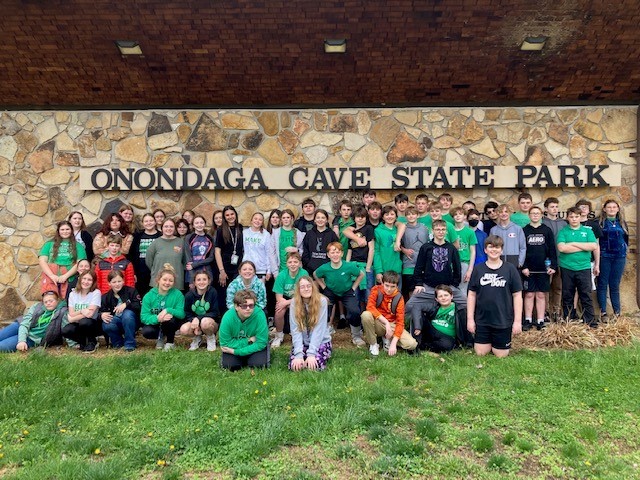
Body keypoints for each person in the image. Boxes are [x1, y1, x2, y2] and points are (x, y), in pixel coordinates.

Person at [467, 235, 523, 358]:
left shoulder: (510, 269)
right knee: (481, 353)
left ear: (501, 250)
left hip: (503, 320)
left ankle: (499, 343)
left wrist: (517, 322)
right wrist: (470, 319)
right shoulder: (478, 269)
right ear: (485, 250)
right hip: (482, 320)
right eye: (490, 247)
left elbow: (517, 295)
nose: (494, 250)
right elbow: (471, 294)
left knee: (500, 355)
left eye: (497, 247)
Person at [405, 220, 465, 331]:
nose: (440, 232)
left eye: (443, 229)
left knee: (466, 303)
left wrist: (455, 283)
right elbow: (419, 267)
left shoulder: (451, 248)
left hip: (447, 287)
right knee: (409, 305)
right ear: (433, 231)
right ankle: (405, 328)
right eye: (438, 229)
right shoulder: (426, 247)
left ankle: (465, 330)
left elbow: (457, 267)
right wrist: (418, 283)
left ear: (446, 231)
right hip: (428, 286)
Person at [314, 242, 364, 345]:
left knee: (355, 311)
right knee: (323, 310)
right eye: (332, 252)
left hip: (347, 292)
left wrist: (354, 288)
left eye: (337, 252)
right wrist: (324, 287)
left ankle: (356, 336)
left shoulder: (349, 266)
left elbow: (361, 274)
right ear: (328, 255)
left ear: (342, 253)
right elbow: (315, 274)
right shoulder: (325, 267)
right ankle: (325, 332)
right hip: (331, 291)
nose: (335, 255)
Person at [557, 207, 598, 327]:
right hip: (567, 267)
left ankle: (590, 321)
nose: (574, 219)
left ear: (580, 217)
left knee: (586, 294)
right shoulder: (563, 231)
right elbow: (562, 248)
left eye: (576, 216)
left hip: (584, 267)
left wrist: (573, 243)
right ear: (568, 218)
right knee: (567, 295)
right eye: (571, 217)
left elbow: (593, 246)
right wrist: (583, 246)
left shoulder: (588, 231)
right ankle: (568, 320)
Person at [361, 271, 418, 356]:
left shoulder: (399, 297)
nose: (389, 289)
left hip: (392, 325)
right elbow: (370, 307)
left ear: (397, 286)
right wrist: (386, 322)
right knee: (366, 315)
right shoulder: (376, 290)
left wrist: (394, 344)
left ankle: (388, 339)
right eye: (387, 285)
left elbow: (400, 322)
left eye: (392, 287)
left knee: (412, 344)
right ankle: (373, 344)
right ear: (382, 283)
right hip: (378, 322)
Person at [521, 206, 557, 330]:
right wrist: (523, 266)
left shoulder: (547, 230)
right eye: (533, 213)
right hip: (528, 269)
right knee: (529, 294)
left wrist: (553, 265)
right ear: (529, 215)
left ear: (541, 215)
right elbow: (521, 250)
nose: (535, 215)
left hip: (543, 268)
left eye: (537, 213)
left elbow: (552, 249)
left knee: (541, 295)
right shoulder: (524, 230)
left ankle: (540, 320)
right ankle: (528, 320)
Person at [0, 291, 68, 352]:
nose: (48, 303)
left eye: (51, 301)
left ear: (57, 301)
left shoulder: (63, 312)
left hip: (33, 338)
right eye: (46, 302)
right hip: (20, 326)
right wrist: (21, 341)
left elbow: (66, 328)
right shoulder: (37, 307)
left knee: (1, 346)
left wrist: (73, 345)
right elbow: (25, 323)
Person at [289, 276, 332, 371]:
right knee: (295, 366)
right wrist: (299, 354)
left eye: (309, 286)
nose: (306, 289)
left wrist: (311, 354)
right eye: (302, 287)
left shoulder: (322, 301)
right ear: (298, 290)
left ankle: (313, 356)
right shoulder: (294, 303)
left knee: (315, 366)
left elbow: (319, 329)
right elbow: (295, 329)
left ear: (313, 287)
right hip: (303, 342)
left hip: (321, 341)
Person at [219, 290, 270, 371]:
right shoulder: (227, 318)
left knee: (259, 365)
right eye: (244, 306)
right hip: (250, 343)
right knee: (229, 366)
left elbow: (261, 342)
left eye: (251, 305)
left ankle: (248, 359)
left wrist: (235, 352)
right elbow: (225, 344)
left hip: (244, 347)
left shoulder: (260, 315)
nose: (248, 309)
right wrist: (249, 340)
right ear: (236, 306)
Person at [597, 199, 629, 321]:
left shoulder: (622, 223)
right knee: (603, 284)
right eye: (609, 207)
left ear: (618, 209)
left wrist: (623, 250)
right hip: (605, 256)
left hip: (619, 257)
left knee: (615, 285)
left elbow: (626, 239)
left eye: (614, 207)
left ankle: (617, 312)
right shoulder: (600, 223)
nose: (611, 209)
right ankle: (603, 312)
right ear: (604, 209)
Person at [141, 264, 186, 351]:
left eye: (171, 281)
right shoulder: (148, 296)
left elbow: (182, 314)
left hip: (171, 322)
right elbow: (144, 316)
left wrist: (167, 310)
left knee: (169, 318)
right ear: (158, 280)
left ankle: (170, 342)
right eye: (164, 280)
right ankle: (160, 337)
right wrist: (157, 318)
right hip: (156, 323)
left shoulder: (178, 294)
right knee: (147, 332)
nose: (167, 283)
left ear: (174, 283)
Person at [39, 220, 87, 299]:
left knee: (67, 301)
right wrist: (52, 276)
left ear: (71, 230)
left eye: (67, 229)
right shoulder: (49, 244)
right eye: (62, 229)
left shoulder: (78, 246)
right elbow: (42, 260)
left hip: (70, 278)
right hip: (51, 277)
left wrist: (65, 276)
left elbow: (80, 263)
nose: (65, 231)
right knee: (51, 301)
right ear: (58, 231)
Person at [414, 284, 466, 353]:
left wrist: (468, 342)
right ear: (436, 299)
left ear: (451, 296)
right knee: (418, 316)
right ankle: (415, 344)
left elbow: (465, 327)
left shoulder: (460, 309)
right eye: (440, 296)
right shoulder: (434, 306)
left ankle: (422, 346)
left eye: (446, 295)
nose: (443, 298)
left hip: (447, 336)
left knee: (447, 345)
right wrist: (418, 326)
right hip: (431, 331)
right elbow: (416, 306)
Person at [271, 252, 308, 348]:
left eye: (295, 262)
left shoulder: (303, 273)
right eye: (290, 262)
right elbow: (278, 296)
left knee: (300, 308)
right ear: (286, 263)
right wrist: (284, 303)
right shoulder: (281, 275)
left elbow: (305, 294)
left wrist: (288, 303)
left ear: (299, 263)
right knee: (279, 311)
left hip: (300, 297)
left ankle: (298, 333)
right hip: (285, 298)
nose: (293, 264)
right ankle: (279, 335)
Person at [99, 270, 141, 351]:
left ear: (123, 281)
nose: (117, 284)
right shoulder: (106, 297)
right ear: (109, 283)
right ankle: (118, 343)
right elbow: (101, 311)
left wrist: (126, 304)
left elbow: (138, 306)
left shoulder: (131, 291)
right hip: (117, 322)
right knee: (107, 323)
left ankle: (130, 344)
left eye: (119, 281)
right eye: (114, 282)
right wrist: (101, 315)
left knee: (127, 314)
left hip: (132, 322)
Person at [62, 270, 102, 353]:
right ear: (80, 279)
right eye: (84, 279)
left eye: (89, 280)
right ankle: (83, 342)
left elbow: (90, 314)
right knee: (66, 330)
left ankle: (92, 341)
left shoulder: (96, 293)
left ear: (93, 282)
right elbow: (71, 313)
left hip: (93, 324)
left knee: (85, 322)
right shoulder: (73, 294)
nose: (86, 282)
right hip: (78, 323)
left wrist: (72, 319)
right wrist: (82, 310)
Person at [180, 270, 220, 351]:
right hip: (194, 323)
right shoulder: (189, 295)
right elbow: (187, 313)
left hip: (210, 323)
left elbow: (215, 312)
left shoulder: (212, 292)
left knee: (205, 322)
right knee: (184, 329)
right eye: (198, 280)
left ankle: (211, 338)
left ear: (208, 281)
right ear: (194, 282)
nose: (201, 282)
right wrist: (194, 321)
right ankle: (197, 338)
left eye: (204, 279)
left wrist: (198, 318)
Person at [542, 197, 567, 321]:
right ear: (546, 209)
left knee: (558, 287)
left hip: (561, 260)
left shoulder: (563, 223)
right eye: (552, 207)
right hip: (546, 260)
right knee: (546, 287)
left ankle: (556, 312)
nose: (555, 209)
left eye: (556, 206)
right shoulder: (542, 222)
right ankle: (545, 312)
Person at [346, 206, 375, 306]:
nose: (360, 219)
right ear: (354, 218)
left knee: (368, 294)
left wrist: (368, 267)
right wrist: (347, 265)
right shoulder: (351, 232)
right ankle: (357, 320)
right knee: (355, 294)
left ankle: (368, 319)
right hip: (354, 266)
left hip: (365, 265)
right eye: (358, 216)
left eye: (363, 216)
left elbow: (371, 248)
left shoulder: (368, 228)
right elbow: (349, 250)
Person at [145, 218, 186, 290]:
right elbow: (149, 261)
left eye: (171, 226)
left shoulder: (181, 242)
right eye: (166, 226)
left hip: (176, 282)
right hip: (158, 282)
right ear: (162, 228)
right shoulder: (156, 243)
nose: (169, 228)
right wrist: (155, 271)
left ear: (175, 228)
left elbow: (185, 261)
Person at [397, 206, 429, 299]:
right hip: (408, 263)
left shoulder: (424, 228)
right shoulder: (403, 228)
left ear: (418, 215)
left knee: (422, 289)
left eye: (413, 214)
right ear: (405, 216)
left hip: (423, 265)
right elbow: (398, 244)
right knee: (410, 290)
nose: (411, 216)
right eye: (408, 214)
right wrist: (404, 250)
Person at [129, 212, 161, 296]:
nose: (149, 223)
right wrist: (134, 273)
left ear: (155, 222)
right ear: (143, 223)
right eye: (146, 221)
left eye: (151, 220)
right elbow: (131, 255)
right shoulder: (137, 236)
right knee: (142, 294)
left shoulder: (160, 236)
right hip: (140, 271)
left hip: (157, 270)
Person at [214, 206, 244, 295]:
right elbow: (217, 252)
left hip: (237, 268)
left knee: (237, 295)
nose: (230, 217)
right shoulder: (220, 230)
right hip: (224, 268)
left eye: (232, 214)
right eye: (227, 215)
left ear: (235, 214)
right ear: (224, 217)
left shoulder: (240, 228)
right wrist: (221, 271)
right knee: (224, 295)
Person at [301, 209, 339, 276]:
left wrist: (330, 265)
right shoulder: (309, 234)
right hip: (311, 270)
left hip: (328, 270)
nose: (320, 220)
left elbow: (336, 251)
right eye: (318, 218)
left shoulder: (332, 235)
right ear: (314, 220)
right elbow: (305, 251)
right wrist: (309, 264)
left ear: (326, 220)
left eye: (323, 217)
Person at [242, 212, 277, 281]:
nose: (257, 221)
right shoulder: (244, 233)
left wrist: (269, 270)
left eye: (260, 220)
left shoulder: (266, 235)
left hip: (260, 270)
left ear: (262, 222)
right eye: (255, 219)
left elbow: (268, 253)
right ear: (251, 220)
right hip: (246, 269)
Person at [489, 204, 526, 269]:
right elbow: (490, 247)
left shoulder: (517, 229)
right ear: (498, 214)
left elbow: (522, 247)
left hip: (514, 260)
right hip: (498, 260)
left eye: (506, 211)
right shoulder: (493, 230)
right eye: (501, 212)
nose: (503, 214)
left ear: (510, 213)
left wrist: (520, 262)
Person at [184, 215, 215, 288]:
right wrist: (192, 279)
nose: (199, 225)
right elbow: (188, 258)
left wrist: (195, 264)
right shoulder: (189, 237)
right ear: (193, 225)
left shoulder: (209, 238)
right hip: (192, 272)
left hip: (206, 271)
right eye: (197, 223)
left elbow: (211, 258)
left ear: (205, 224)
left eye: (201, 222)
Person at [452, 206, 477, 294]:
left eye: (460, 214)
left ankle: (464, 308)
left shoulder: (470, 232)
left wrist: (470, 269)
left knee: (462, 290)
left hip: (464, 263)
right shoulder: (450, 231)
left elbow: (473, 251)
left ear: (465, 217)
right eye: (455, 214)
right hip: (451, 264)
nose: (458, 216)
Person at [271, 208, 305, 273]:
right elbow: (272, 253)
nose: (286, 219)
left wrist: (297, 250)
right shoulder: (276, 233)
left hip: (294, 267)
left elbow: (303, 250)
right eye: (283, 218)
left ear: (292, 219)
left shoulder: (297, 233)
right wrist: (275, 272)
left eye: (288, 217)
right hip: (280, 268)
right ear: (281, 219)